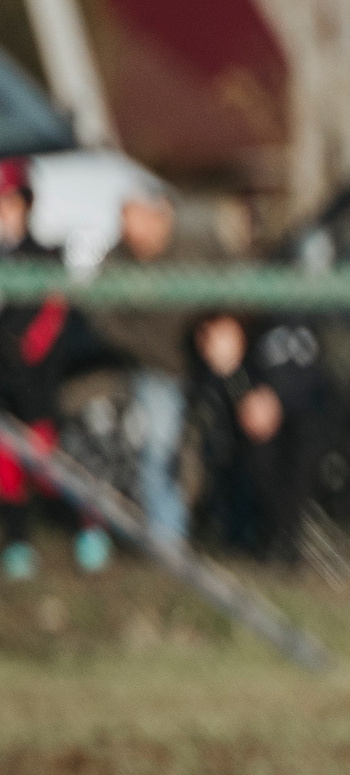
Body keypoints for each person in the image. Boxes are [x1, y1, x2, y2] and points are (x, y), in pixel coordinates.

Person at [0, 156, 111, 578]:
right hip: (4, 377)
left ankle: (87, 526)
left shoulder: (42, 256)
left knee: (45, 462)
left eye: (10, 203)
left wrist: (26, 346)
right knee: (6, 466)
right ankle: (18, 543)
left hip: (35, 376)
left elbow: (52, 314)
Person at [82, 182, 200, 541]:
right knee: (146, 439)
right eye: (126, 217)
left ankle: (180, 534)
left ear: (162, 214)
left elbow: (223, 305)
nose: (131, 227)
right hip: (141, 371)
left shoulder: (194, 253)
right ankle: (159, 537)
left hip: (193, 370)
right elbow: (100, 318)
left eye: (138, 216)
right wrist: (142, 347)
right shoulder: (116, 260)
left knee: (168, 446)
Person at [185, 310, 330, 564]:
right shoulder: (243, 315)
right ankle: (266, 538)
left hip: (304, 404)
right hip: (250, 397)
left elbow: (313, 375)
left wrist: (276, 398)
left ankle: (284, 539)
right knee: (257, 449)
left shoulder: (307, 318)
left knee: (303, 445)